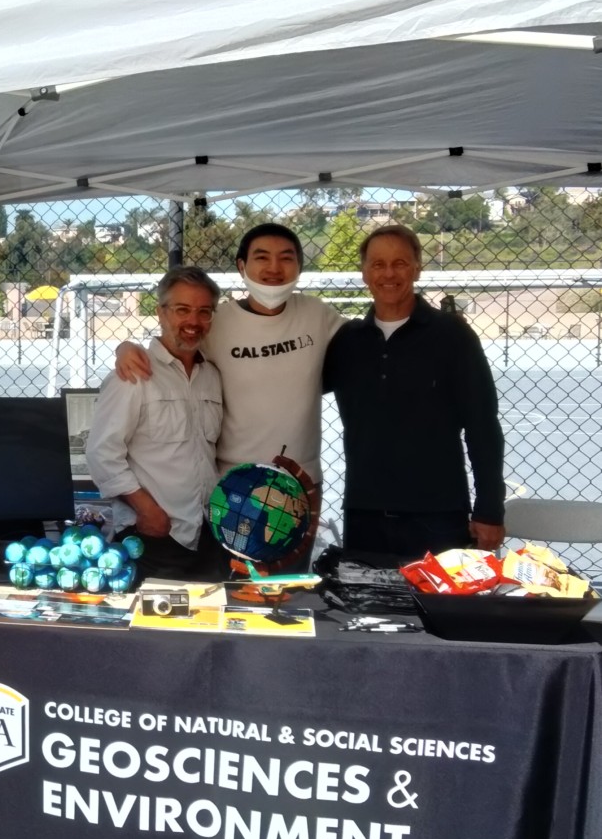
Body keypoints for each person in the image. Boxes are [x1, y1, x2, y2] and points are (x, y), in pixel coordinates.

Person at [322, 224, 505, 558]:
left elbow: (483, 427)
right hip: (365, 514)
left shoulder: (453, 337)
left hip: (437, 515)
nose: (388, 273)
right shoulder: (348, 340)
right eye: (378, 264)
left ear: (418, 268)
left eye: (400, 263)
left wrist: (489, 509)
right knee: (366, 609)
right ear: (364, 273)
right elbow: (294, 388)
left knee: (440, 610)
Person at [114, 223, 344, 485]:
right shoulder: (217, 322)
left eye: (286, 258)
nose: (274, 268)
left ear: (300, 266)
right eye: (262, 257)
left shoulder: (317, 314)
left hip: (302, 478)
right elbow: (173, 348)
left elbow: (365, 344)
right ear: (241, 266)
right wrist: (124, 347)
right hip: (234, 479)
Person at [86, 266, 226, 579]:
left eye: (204, 312)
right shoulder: (133, 376)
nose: (193, 321)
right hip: (153, 536)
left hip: (206, 536)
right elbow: (101, 454)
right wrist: (146, 508)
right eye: (182, 310)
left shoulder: (213, 378)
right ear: (160, 313)